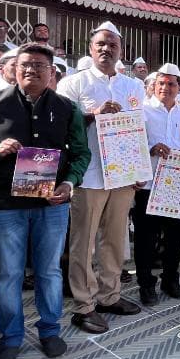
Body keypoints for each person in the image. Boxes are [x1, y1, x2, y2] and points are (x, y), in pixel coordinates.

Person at [0, 42, 90, 359]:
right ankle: (10, 338)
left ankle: (50, 330)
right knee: (8, 274)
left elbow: (80, 153)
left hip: (51, 204)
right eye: (25, 65)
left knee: (49, 271)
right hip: (5, 204)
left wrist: (69, 183)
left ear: (51, 72)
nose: (32, 70)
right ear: (13, 69)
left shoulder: (67, 108)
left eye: (39, 66)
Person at [56, 22, 144, 334]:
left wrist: (138, 171)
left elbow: (139, 128)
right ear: (91, 49)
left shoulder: (133, 86)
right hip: (89, 174)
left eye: (112, 45)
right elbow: (62, 125)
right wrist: (93, 115)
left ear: (121, 50)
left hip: (122, 175)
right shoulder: (73, 83)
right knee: (83, 242)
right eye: (101, 45)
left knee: (115, 239)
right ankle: (84, 305)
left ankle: (110, 295)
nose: (106, 49)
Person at [134, 63, 180, 304]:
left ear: (179, 87)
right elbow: (131, 144)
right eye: (161, 83)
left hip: (177, 186)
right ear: (154, 86)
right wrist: (151, 148)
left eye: (170, 84)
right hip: (148, 187)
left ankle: (170, 279)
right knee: (146, 239)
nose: (165, 87)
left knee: (175, 237)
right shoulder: (142, 112)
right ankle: (146, 284)